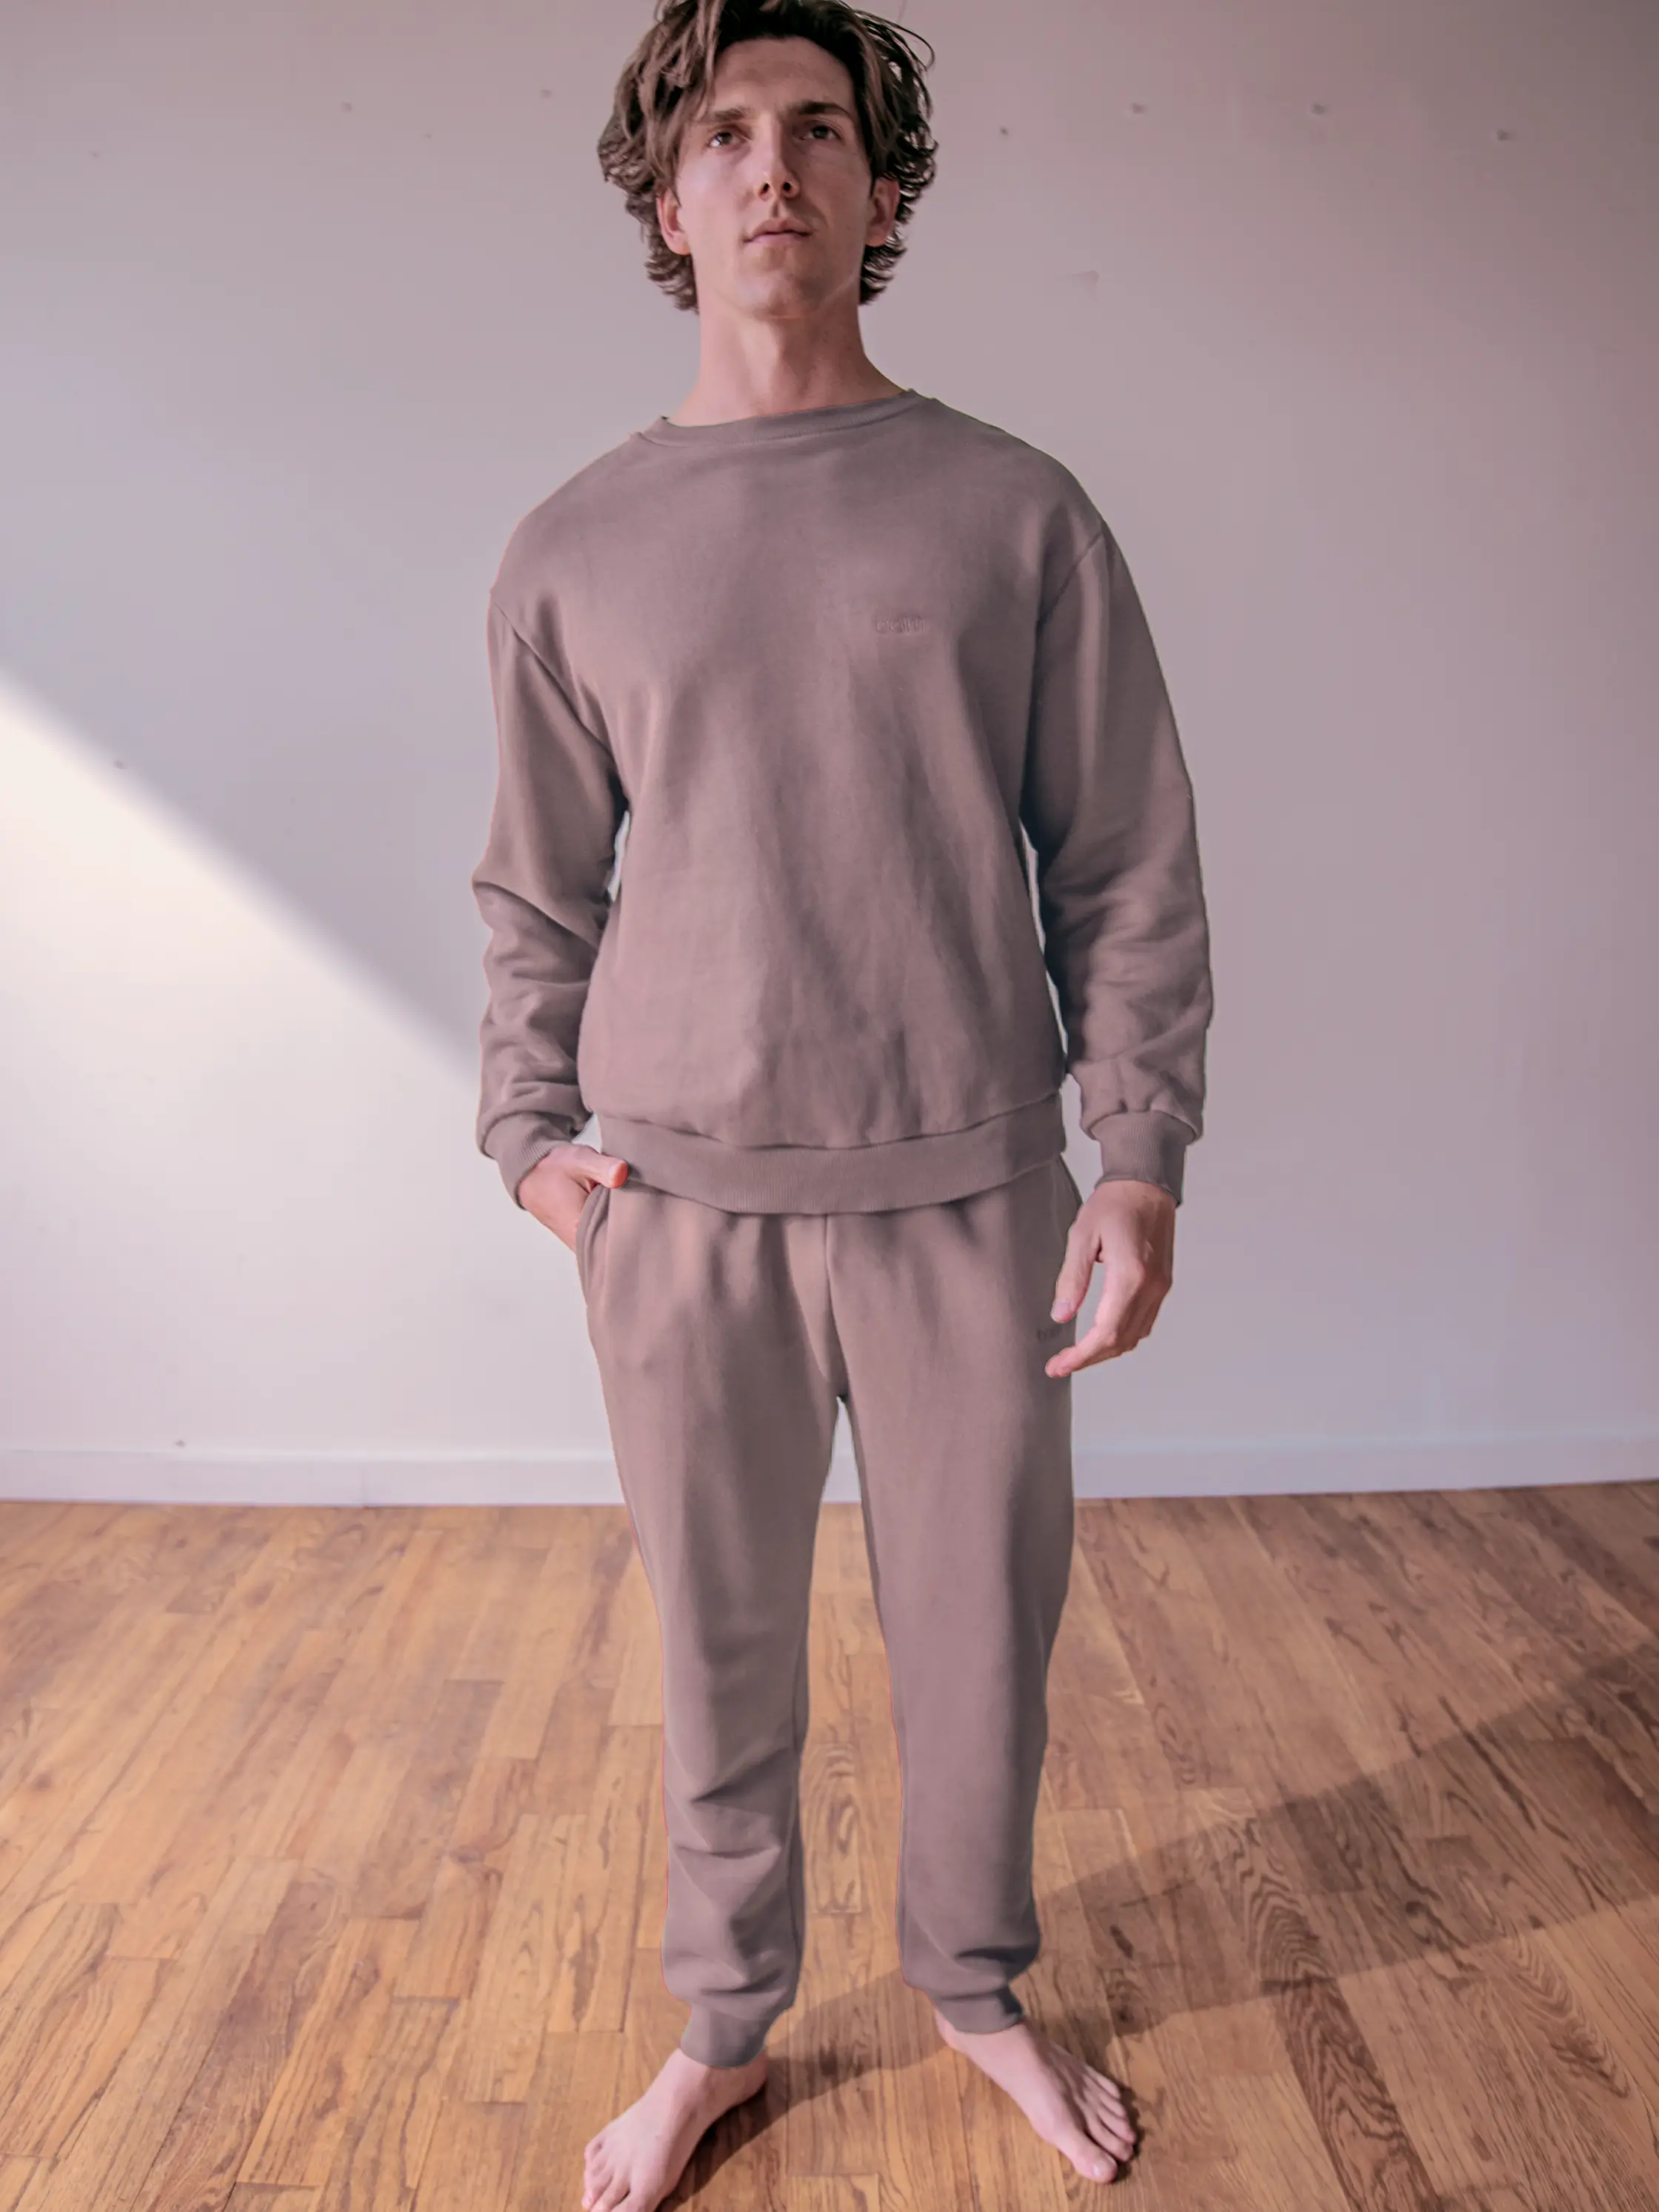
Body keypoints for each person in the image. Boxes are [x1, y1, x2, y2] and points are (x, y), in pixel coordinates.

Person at [470, 3, 1213, 2205]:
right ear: (666, 199)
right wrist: (536, 1148)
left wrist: (1140, 1153)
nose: (770, 162)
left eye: (816, 129)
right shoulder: (574, 546)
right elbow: (532, 886)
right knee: (717, 1652)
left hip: (970, 1193)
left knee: (983, 1636)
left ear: (882, 194)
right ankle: (722, 2030)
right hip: (676, 1215)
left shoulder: (1016, 514)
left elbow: (1127, 857)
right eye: (722, 132)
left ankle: (975, 1986)